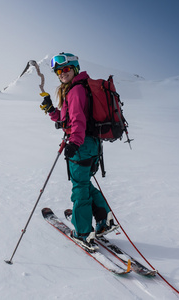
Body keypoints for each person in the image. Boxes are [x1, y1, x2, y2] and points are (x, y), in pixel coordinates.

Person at [40, 52, 118, 251]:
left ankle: (83, 233)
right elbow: (67, 119)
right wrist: (51, 110)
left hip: (81, 145)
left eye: (66, 69)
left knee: (80, 189)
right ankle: (104, 219)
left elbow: (78, 122)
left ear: (74, 69)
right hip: (90, 144)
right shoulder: (80, 88)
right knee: (83, 182)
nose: (62, 73)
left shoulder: (75, 91)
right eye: (59, 71)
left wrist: (73, 142)